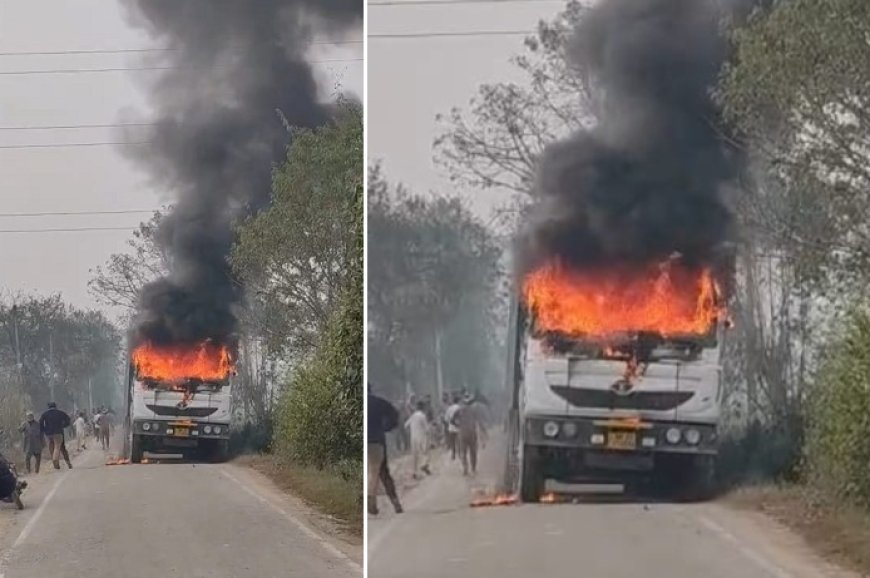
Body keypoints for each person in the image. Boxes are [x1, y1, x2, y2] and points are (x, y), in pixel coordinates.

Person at [367, 384, 403, 516]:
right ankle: (395, 502)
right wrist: (386, 428)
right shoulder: (378, 403)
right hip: (376, 441)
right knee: (382, 472)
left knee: (370, 472)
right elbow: (394, 415)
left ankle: (371, 501)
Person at [456, 394, 485, 476]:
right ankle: (473, 468)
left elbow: (452, 420)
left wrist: (458, 425)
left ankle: (465, 468)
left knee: (463, 452)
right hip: (472, 433)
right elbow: (479, 421)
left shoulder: (459, 410)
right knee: (473, 452)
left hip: (463, 433)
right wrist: (483, 432)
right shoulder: (474, 410)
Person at [40, 401, 72, 469]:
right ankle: (66, 463)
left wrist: (44, 430)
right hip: (58, 433)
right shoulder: (60, 412)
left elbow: (40, 423)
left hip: (49, 434)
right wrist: (63, 425)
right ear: (55, 406)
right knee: (60, 447)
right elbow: (68, 420)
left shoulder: (44, 414)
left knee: (51, 446)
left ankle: (55, 463)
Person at [405, 401, 431, 479]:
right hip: (422, 437)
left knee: (415, 456)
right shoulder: (422, 416)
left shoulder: (413, 416)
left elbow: (405, 425)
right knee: (425, 453)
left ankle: (414, 472)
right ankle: (424, 465)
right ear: (423, 407)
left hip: (413, 438)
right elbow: (426, 429)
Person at [444, 394, 461, 461]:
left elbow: (446, 419)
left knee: (452, 442)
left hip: (451, 428)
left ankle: (453, 454)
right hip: (459, 428)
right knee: (459, 442)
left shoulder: (449, 408)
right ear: (458, 401)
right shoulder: (460, 408)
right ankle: (459, 454)